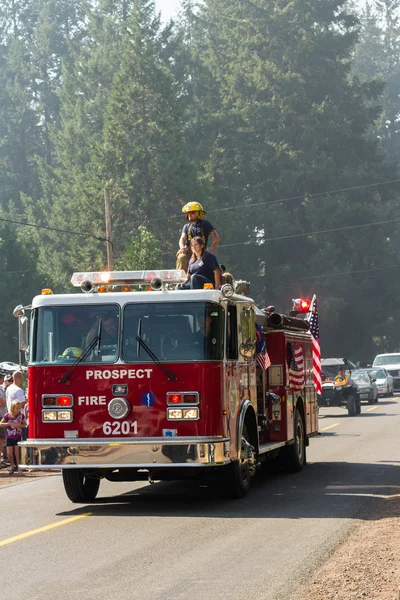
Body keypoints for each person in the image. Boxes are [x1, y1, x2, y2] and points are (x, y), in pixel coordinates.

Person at [176, 202, 220, 272]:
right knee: (182, 257)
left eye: (192, 212)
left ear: (198, 213)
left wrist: (210, 253)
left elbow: (216, 238)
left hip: (201, 254)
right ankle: (182, 282)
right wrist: (182, 248)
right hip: (189, 252)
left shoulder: (205, 224)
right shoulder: (186, 226)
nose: (189, 214)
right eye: (188, 213)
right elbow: (182, 238)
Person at [0, 400, 26, 474]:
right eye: (16, 408)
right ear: (12, 408)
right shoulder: (7, 415)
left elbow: (25, 425)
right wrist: (8, 423)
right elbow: (1, 423)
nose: (18, 410)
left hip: (18, 436)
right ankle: (12, 466)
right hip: (9, 436)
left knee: (17, 453)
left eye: (19, 408)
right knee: (9, 453)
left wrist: (19, 426)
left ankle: (19, 468)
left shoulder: (21, 416)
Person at [0, 373, 7, 467]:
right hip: (0, 416)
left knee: (2, 440)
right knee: (1, 440)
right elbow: (3, 403)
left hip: (2, 416)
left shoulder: (2, 389)